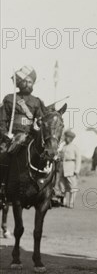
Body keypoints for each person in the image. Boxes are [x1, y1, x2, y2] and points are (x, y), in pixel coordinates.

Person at [0, 66, 46, 198]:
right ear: (19, 83)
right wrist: (5, 135)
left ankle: (48, 189)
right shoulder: (10, 99)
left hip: (31, 137)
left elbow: (41, 121)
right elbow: (2, 121)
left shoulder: (37, 102)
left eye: (30, 81)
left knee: (49, 156)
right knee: (2, 156)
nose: (27, 84)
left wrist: (38, 126)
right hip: (12, 137)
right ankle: (2, 186)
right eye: (24, 81)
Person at [59, 130, 81, 209]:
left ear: (71, 138)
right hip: (62, 168)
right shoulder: (63, 146)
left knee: (72, 187)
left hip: (71, 168)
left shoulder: (74, 147)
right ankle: (63, 202)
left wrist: (77, 170)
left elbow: (78, 159)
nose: (65, 138)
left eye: (67, 137)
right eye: (65, 137)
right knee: (62, 186)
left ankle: (71, 203)